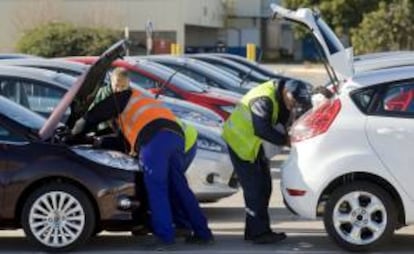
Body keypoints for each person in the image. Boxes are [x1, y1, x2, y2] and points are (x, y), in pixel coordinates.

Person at [71, 67, 213, 246]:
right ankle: (203, 233)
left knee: (157, 189)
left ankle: (164, 237)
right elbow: (122, 141)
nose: (118, 88)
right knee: (180, 188)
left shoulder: (120, 97)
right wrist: (95, 142)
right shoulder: (140, 97)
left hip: (154, 142)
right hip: (176, 138)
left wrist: (72, 133)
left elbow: (92, 117)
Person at [222, 79, 312, 244]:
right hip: (240, 143)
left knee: (264, 187)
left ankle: (254, 230)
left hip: (254, 146)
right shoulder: (264, 99)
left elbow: (284, 120)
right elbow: (261, 128)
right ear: (287, 93)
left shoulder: (281, 95)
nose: (294, 106)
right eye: (294, 102)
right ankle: (259, 234)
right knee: (255, 190)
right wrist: (285, 141)